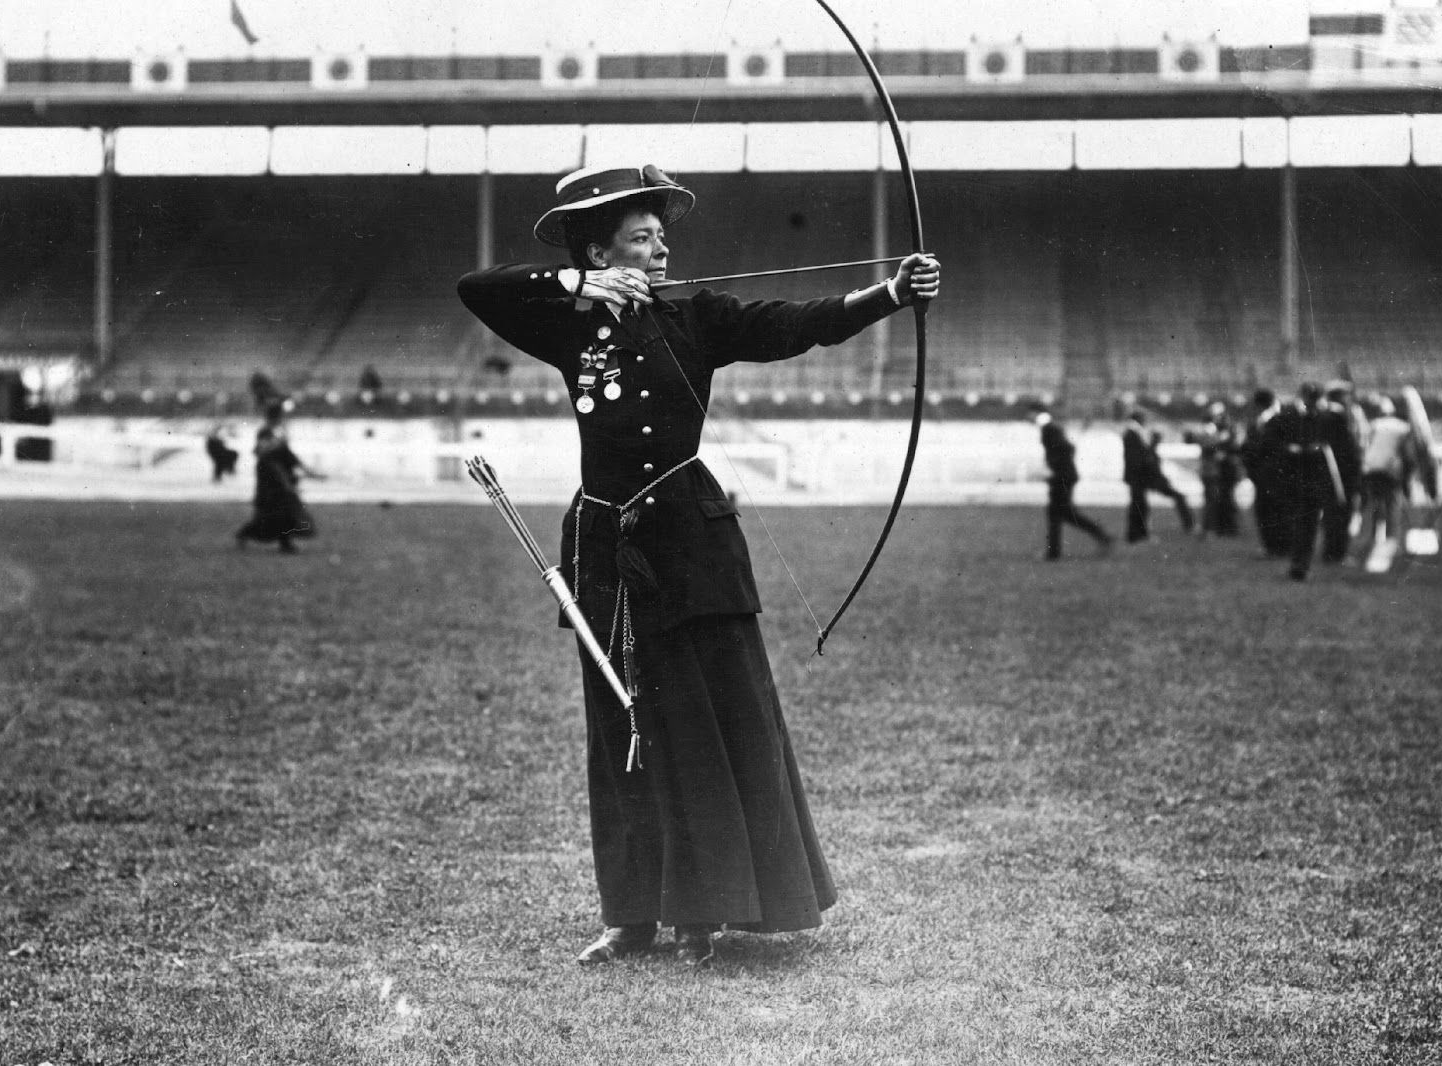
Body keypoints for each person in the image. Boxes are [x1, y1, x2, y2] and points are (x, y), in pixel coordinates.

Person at [457, 163, 939, 968]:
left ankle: (701, 916)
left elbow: (799, 322)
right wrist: (582, 284)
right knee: (623, 728)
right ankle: (632, 917)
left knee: (695, 724)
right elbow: (479, 286)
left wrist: (890, 293)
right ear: (601, 249)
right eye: (640, 239)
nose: (657, 251)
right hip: (606, 547)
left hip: (688, 541)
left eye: (660, 238)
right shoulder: (569, 323)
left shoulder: (699, 316)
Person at [1270, 381, 1341, 581]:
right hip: (1293, 478)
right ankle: (1297, 563)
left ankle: (1300, 565)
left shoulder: (1326, 419)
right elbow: (1276, 445)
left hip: (1312, 480)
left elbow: (1331, 447)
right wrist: (1292, 450)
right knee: (1298, 524)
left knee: (1308, 524)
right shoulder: (1288, 417)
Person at [235, 401, 323, 554]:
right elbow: (260, 452)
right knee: (275, 512)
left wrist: (306, 470)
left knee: (284, 511)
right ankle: (249, 534)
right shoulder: (266, 431)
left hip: (281, 476)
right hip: (271, 478)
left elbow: (288, 454)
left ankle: (284, 543)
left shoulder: (278, 432)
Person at [1029, 402, 1112, 559]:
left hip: (1061, 477)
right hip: (1064, 476)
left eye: (1030, 414)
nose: (1028, 417)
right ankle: (1055, 551)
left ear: (1036, 413)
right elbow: (1067, 449)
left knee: (1061, 513)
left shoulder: (1049, 429)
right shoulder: (1050, 428)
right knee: (1060, 513)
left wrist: (1053, 469)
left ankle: (1055, 552)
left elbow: (1066, 449)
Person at [1122, 408, 1193, 543]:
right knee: (1139, 506)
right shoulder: (1133, 434)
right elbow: (1142, 458)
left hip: (1140, 477)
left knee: (1139, 506)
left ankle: (1136, 535)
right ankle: (1136, 535)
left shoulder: (1134, 433)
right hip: (1140, 477)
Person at [1357, 396, 1414, 562]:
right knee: (1391, 507)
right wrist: (1406, 478)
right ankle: (1390, 542)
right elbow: (1407, 455)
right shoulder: (1403, 428)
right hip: (1388, 470)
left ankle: (1371, 540)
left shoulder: (1375, 424)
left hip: (1371, 468)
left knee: (1375, 504)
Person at [1240, 388, 1289, 557]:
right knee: (1269, 510)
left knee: (1270, 511)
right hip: (1267, 473)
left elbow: (1261, 447)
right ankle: (1275, 546)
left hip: (1269, 473)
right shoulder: (1267, 419)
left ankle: (1275, 547)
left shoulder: (1271, 420)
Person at [1319, 381, 1365, 564]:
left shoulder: (1328, 415)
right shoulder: (1336, 417)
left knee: (1333, 514)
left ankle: (1332, 553)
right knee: (1339, 515)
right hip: (1340, 475)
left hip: (1333, 474)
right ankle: (1336, 554)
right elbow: (1345, 449)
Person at [1194, 401, 1241, 537]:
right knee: (1219, 499)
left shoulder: (1227, 428)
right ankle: (1222, 528)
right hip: (1218, 468)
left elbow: (1232, 447)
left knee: (1225, 498)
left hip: (1226, 468)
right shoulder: (1216, 429)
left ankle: (1228, 528)